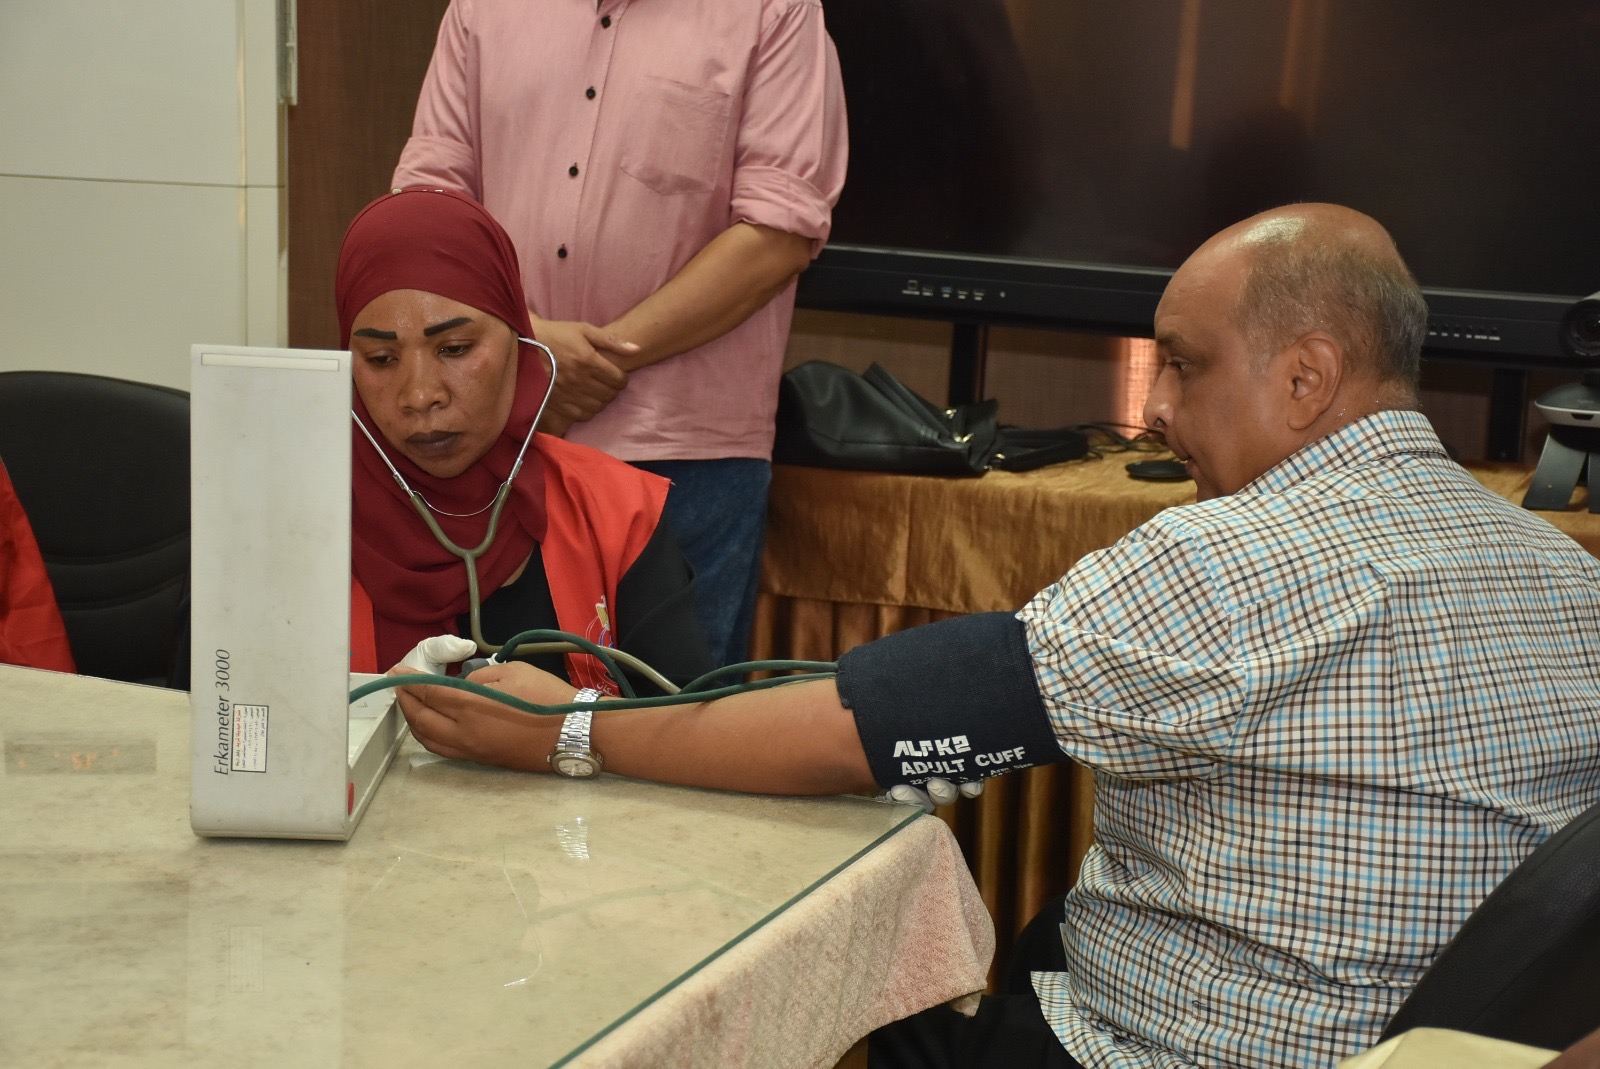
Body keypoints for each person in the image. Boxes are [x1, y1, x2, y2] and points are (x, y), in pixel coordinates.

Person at [386, 203, 1600, 1067]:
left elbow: (863, 730)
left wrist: (569, 731)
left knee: (869, 989)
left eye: (1184, 366)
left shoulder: (1223, 559)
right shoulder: (1566, 573)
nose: (1154, 410)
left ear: (1306, 376)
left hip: (1160, 1047)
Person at [390, 0, 849, 668]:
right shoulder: (480, 9)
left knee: (679, 715)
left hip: (687, 457)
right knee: (489, 700)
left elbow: (778, 233)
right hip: (501, 441)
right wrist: (531, 346)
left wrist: (588, 362)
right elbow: (426, 208)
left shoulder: (774, 11)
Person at [339, 187, 711, 694]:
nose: (420, 395)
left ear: (520, 343)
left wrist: (571, 726)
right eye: (381, 360)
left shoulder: (619, 515)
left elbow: (686, 727)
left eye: (454, 348)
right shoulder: (292, 527)